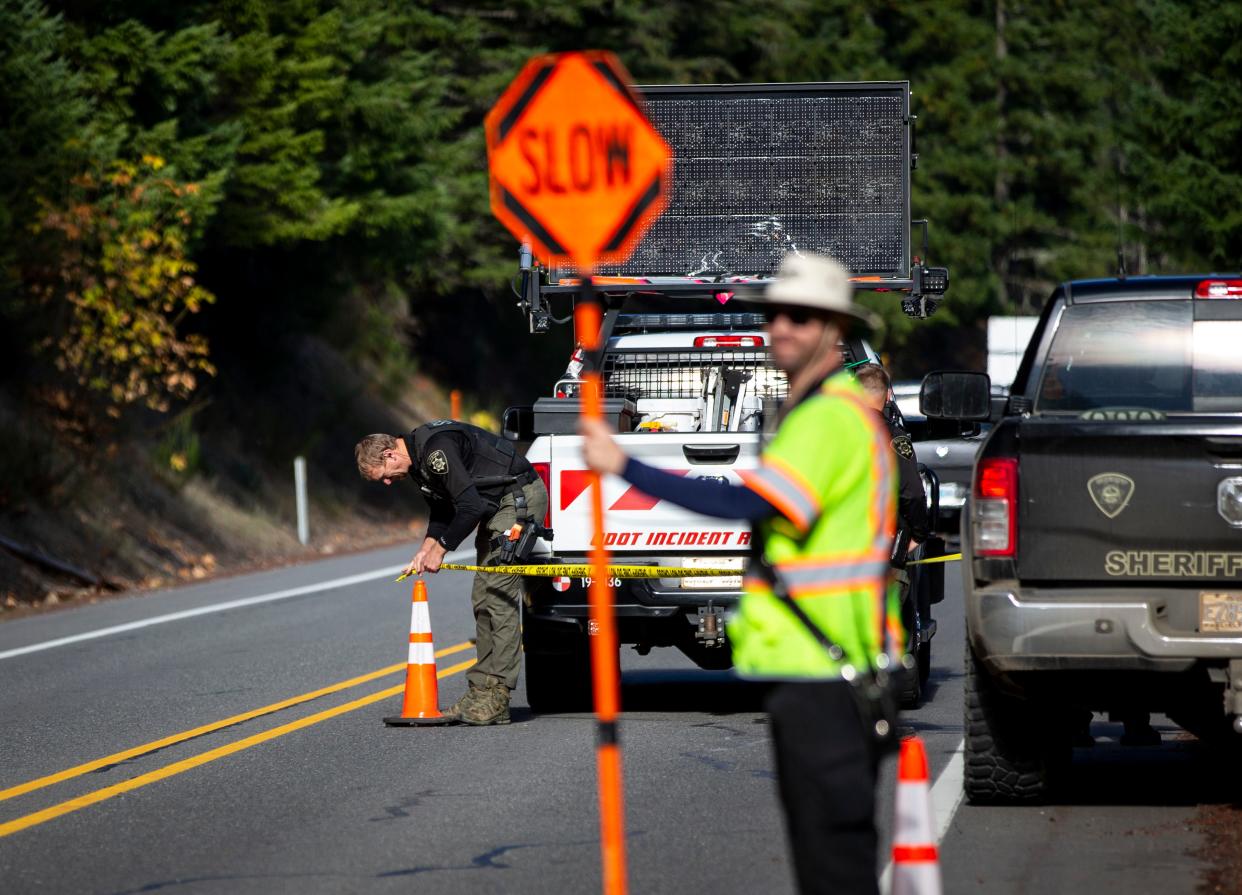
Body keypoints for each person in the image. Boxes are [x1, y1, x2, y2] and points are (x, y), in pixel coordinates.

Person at [580, 252, 896, 895]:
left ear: (834, 331)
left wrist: (625, 465)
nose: (782, 327)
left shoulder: (828, 419)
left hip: (823, 672)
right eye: (776, 313)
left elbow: (745, 503)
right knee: (825, 857)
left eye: (802, 317)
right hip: (821, 667)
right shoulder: (814, 413)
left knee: (833, 865)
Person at [356, 420, 548, 726]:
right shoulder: (418, 463)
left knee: (498, 595)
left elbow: (469, 506)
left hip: (519, 499)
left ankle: (498, 695)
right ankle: (480, 691)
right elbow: (443, 510)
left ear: (390, 454)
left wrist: (441, 549)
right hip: (495, 505)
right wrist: (425, 548)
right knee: (481, 597)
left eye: (384, 477)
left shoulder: (436, 451)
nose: (388, 483)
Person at [853, 363, 931, 645]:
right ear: (887, 396)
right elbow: (912, 493)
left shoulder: (834, 434)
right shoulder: (894, 437)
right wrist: (919, 533)